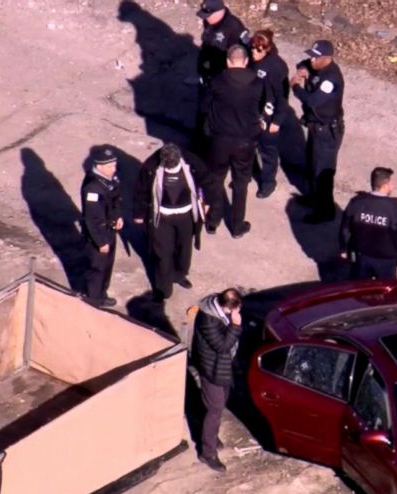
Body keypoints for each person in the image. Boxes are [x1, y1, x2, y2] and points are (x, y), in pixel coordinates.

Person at [201, 44, 267, 238]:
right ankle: (237, 225)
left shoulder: (218, 81)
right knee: (240, 181)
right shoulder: (257, 84)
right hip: (245, 140)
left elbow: (205, 105)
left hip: (220, 138)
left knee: (216, 178)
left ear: (228, 62)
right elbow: (262, 106)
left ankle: (213, 220)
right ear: (246, 61)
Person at [134, 144, 209, 301]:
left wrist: (208, 203)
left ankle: (179, 274)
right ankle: (163, 289)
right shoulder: (151, 166)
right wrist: (139, 213)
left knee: (184, 250)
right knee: (163, 254)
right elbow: (140, 190)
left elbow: (209, 182)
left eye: (173, 165)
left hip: (186, 215)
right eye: (167, 166)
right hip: (162, 216)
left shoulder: (192, 163)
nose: (170, 168)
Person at [291, 39, 345, 224]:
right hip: (316, 127)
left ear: (327, 58)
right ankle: (314, 199)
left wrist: (296, 87)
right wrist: (302, 69)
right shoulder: (316, 66)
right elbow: (303, 64)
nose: (312, 61)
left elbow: (313, 101)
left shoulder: (331, 78)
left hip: (327, 132)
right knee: (312, 166)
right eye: (311, 57)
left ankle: (325, 211)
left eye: (316, 58)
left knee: (323, 173)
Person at [191, 288, 243, 473]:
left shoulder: (217, 308)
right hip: (212, 368)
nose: (237, 313)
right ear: (226, 307)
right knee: (215, 409)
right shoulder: (208, 319)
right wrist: (235, 326)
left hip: (222, 366)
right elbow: (222, 346)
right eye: (235, 309)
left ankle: (211, 436)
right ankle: (207, 453)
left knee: (218, 405)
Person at [339, 167, 397, 280]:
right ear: (385, 185)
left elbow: (345, 228)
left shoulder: (356, 203)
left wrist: (343, 249)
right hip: (386, 261)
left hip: (361, 257)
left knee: (361, 290)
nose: (393, 185)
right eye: (391, 182)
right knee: (386, 291)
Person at [248, 29, 289, 199]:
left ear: (267, 49)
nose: (254, 53)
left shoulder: (276, 68)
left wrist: (277, 121)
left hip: (268, 115)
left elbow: (282, 97)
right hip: (252, 111)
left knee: (267, 151)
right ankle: (247, 174)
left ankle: (268, 183)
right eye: (252, 48)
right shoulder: (253, 61)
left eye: (258, 50)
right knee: (247, 146)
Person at [81, 146, 123, 307]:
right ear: (100, 167)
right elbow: (92, 219)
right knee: (97, 269)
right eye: (110, 166)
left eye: (114, 165)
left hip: (109, 228)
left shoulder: (109, 180)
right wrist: (101, 242)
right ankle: (93, 301)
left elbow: (116, 199)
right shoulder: (92, 188)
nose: (114, 169)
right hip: (98, 234)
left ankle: (101, 294)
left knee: (107, 266)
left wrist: (118, 216)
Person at [196, 0, 250, 86]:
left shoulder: (234, 27)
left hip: (222, 74)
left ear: (219, 12)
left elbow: (241, 55)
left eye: (208, 15)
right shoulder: (209, 21)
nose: (205, 18)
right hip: (208, 62)